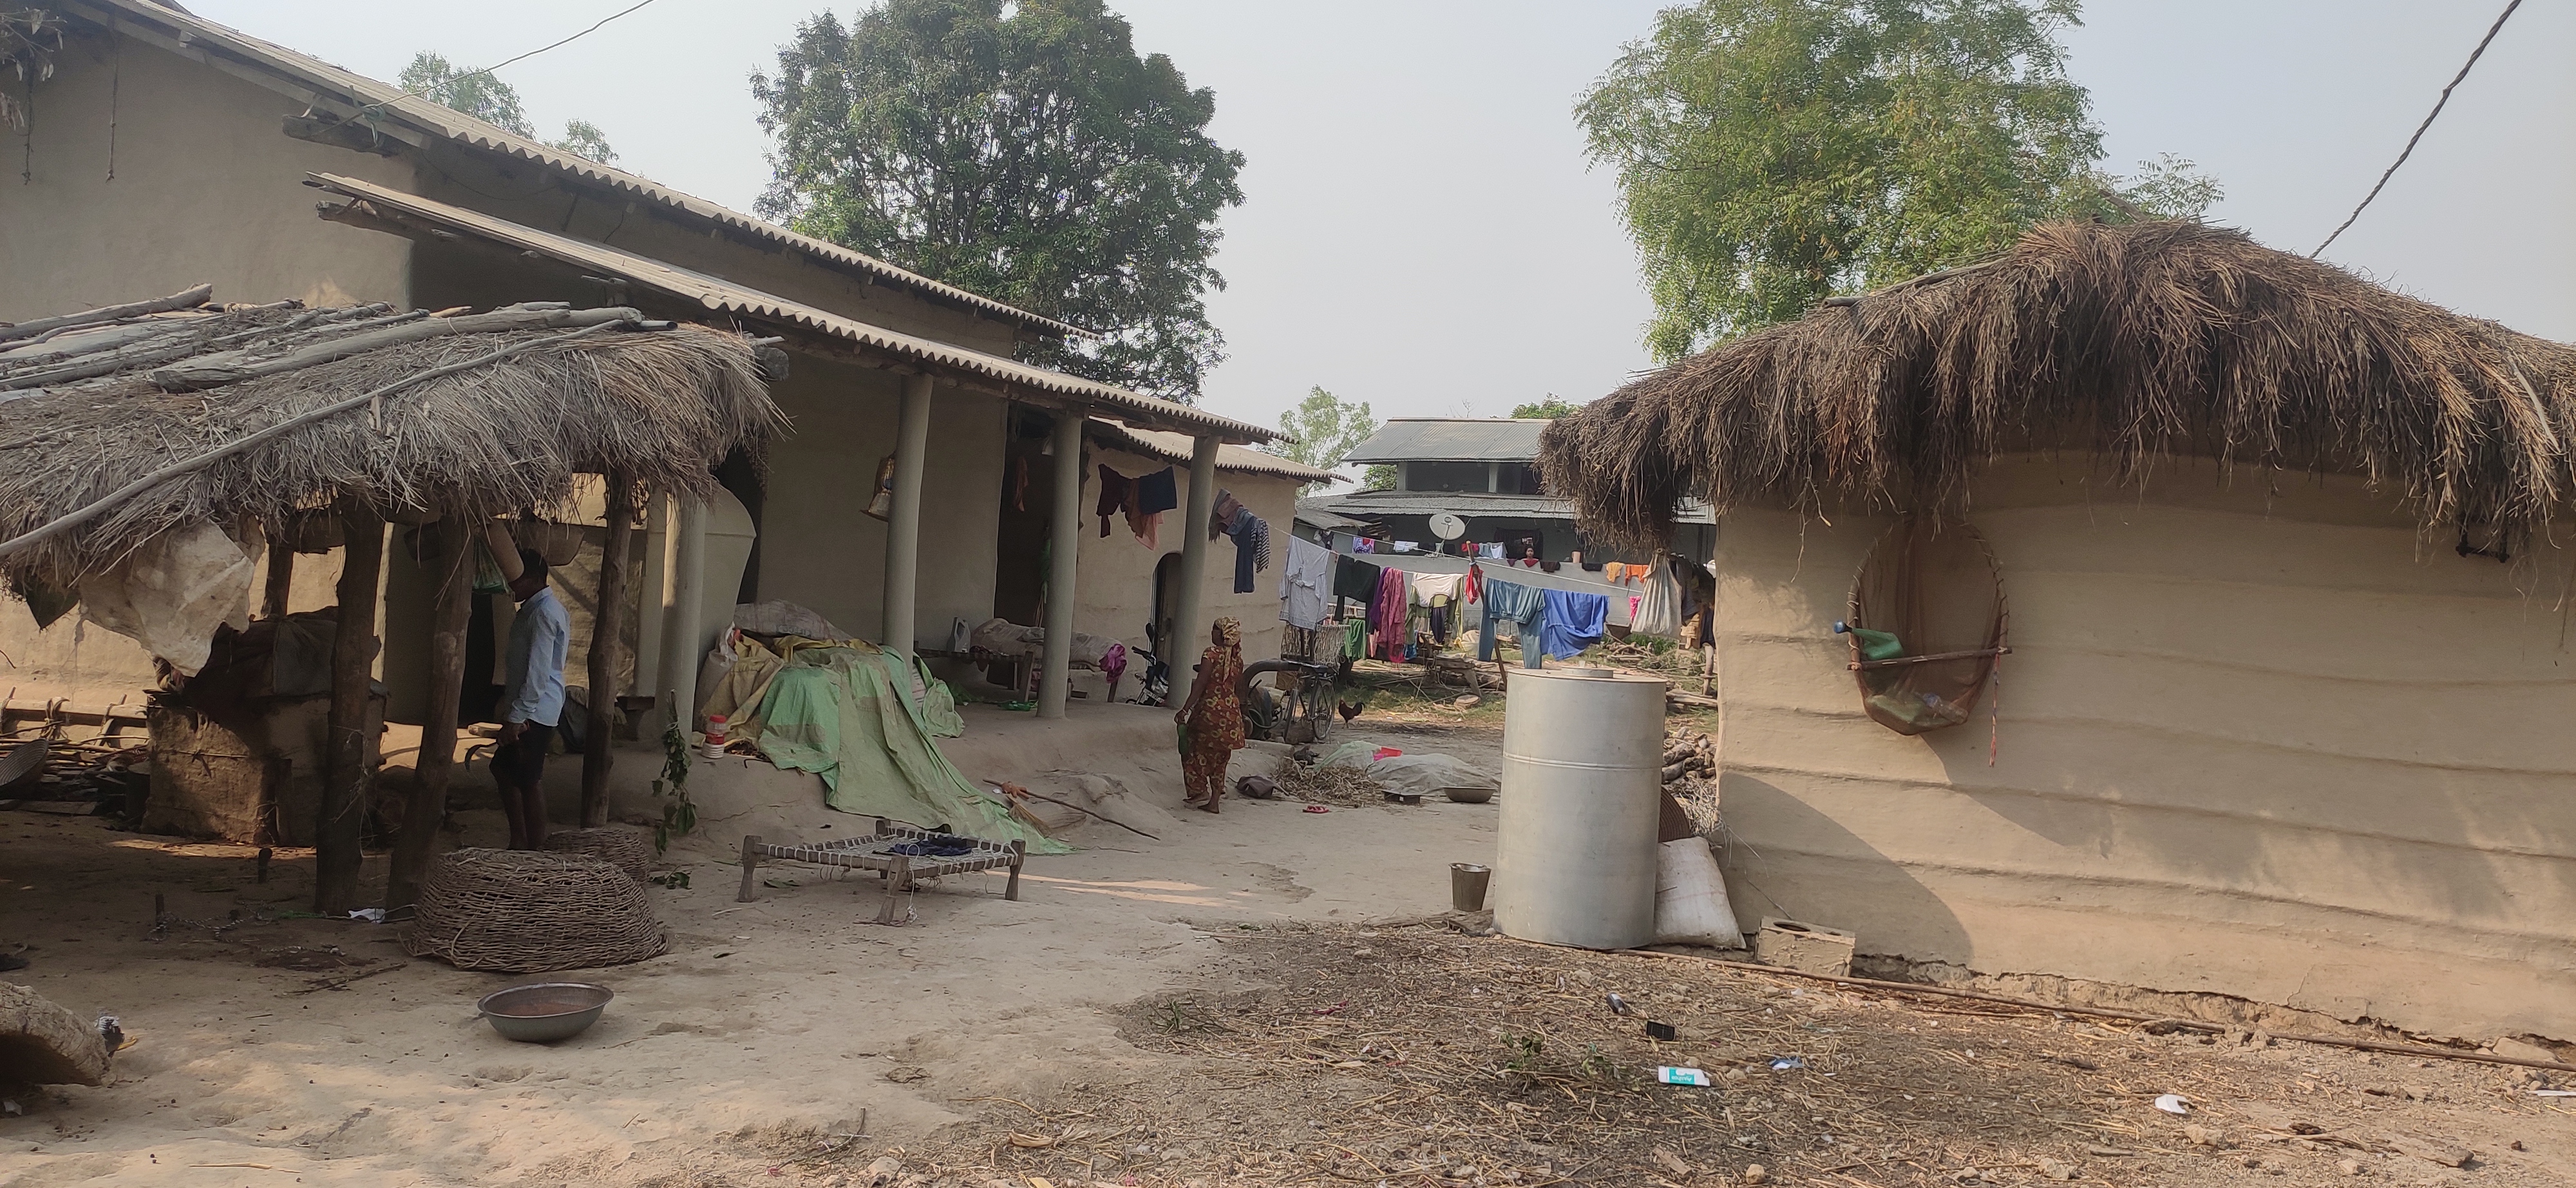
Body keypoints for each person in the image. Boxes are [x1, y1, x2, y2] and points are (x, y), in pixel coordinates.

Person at [488, 528, 569, 850]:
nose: (511, 585)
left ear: (534, 578)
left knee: (527, 778)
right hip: (530, 707)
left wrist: (518, 716)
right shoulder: (535, 610)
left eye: (517, 580)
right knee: (507, 771)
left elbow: (538, 672)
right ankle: (522, 841)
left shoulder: (544, 614)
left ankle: (534, 846)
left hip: (536, 709)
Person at [1173, 617, 1245, 814]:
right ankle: (1214, 801)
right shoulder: (1237, 659)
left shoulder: (1211, 654)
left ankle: (1198, 790)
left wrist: (1185, 709)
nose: (1211, 632)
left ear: (1222, 634)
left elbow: (1200, 684)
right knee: (1221, 758)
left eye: (1214, 629)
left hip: (1209, 713)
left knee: (1192, 750)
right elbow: (1238, 689)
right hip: (1231, 716)